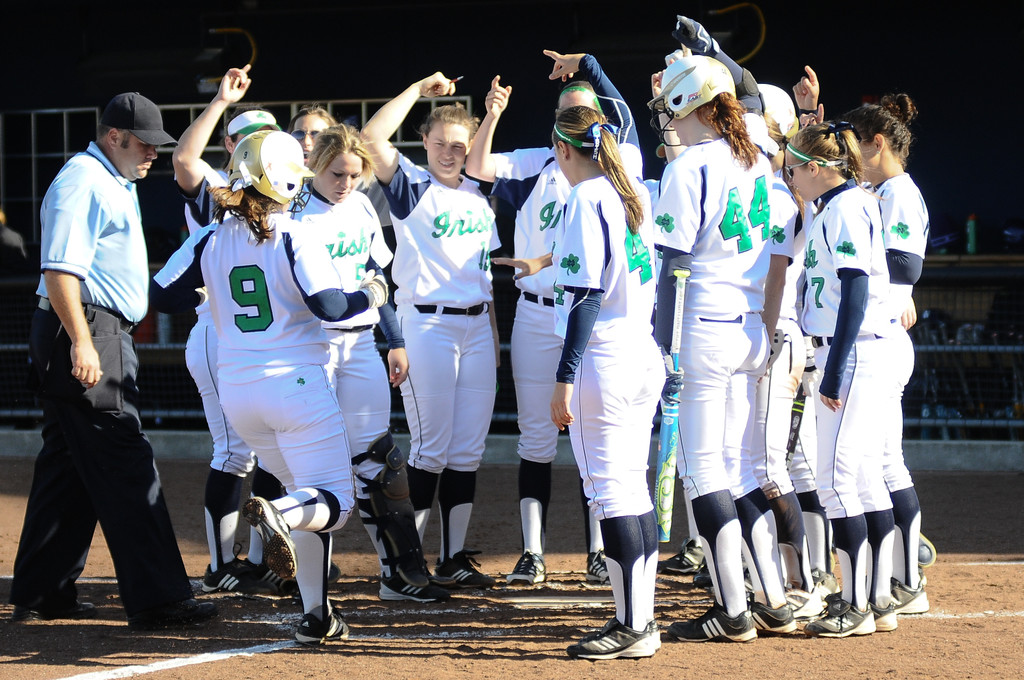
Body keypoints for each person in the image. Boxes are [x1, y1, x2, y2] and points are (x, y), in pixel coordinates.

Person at [151, 129, 389, 645]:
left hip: (239, 390)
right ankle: (276, 513)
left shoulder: (212, 235)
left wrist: (210, 288)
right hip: (296, 385)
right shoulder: (294, 232)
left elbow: (162, 296)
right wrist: (371, 291)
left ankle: (316, 616)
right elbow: (330, 307)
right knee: (334, 503)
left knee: (309, 498)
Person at [10, 92, 218, 630]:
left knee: (69, 468)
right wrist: (81, 340)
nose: (153, 154)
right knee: (125, 458)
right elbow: (61, 272)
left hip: (89, 327)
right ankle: (159, 599)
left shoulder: (111, 178)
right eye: (145, 144)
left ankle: (43, 591)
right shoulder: (84, 180)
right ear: (114, 137)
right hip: (85, 328)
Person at [470, 49, 641, 586]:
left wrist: (589, 66)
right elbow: (477, 166)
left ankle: (597, 549)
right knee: (535, 438)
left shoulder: (619, 167)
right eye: (569, 113)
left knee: (593, 433)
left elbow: (629, 121)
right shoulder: (534, 163)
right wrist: (492, 114)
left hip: (588, 315)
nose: (578, 121)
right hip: (535, 314)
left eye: (589, 113)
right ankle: (533, 550)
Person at [650, 56, 792, 642]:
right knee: (739, 472)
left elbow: (673, 266)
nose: (669, 120)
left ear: (693, 106)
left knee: (704, 472)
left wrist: (664, 346)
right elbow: (753, 96)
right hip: (752, 326)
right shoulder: (758, 154)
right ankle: (775, 598)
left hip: (705, 325)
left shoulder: (690, 168)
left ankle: (733, 610)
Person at [292, 123, 450, 603]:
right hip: (312, 347)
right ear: (315, 167)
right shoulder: (294, 215)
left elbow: (373, 272)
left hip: (360, 344)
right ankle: (296, 582)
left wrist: (394, 338)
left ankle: (400, 575)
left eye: (354, 174)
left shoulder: (360, 204)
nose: (345, 183)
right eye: (337, 173)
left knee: (381, 462)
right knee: (311, 469)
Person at [362, 73, 500, 588]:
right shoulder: (413, 187)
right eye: (439, 143)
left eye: (458, 145)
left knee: (467, 450)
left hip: (476, 328)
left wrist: (491, 339)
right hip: (428, 325)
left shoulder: (480, 192)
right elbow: (374, 138)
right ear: (424, 142)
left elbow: (483, 274)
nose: (449, 152)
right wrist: (418, 90)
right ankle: (405, 567)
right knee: (430, 449)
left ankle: (453, 558)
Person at [547, 104, 662, 659]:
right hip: (642, 349)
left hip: (607, 357)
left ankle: (632, 625)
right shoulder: (630, 189)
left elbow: (585, 296)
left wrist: (564, 377)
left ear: (564, 150)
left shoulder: (584, 197)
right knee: (632, 491)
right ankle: (642, 619)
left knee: (612, 495)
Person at [170, 64, 290, 596]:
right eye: (243, 140)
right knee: (233, 453)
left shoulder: (281, 193)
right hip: (217, 332)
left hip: (260, 337)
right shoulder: (219, 187)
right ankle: (220, 564)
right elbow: (182, 160)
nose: (252, 148)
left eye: (261, 140)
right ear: (229, 144)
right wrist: (220, 101)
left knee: (265, 447)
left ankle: (258, 559)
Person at [784, 121, 895, 637]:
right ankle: (876, 598)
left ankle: (855, 605)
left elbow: (854, 290)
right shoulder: (842, 204)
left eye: (794, 165)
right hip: (858, 352)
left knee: (836, 482)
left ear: (815, 168)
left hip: (851, 354)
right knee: (865, 480)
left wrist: (836, 368)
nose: (789, 174)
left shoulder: (848, 206)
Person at [845, 94, 931, 616]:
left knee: (879, 464)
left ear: (878, 143)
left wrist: (895, 295)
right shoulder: (878, 189)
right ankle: (906, 577)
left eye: (856, 145)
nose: (851, 156)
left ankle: (907, 580)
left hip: (883, 341)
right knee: (882, 464)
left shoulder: (899, 192)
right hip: (881, 338)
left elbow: (904, 264)